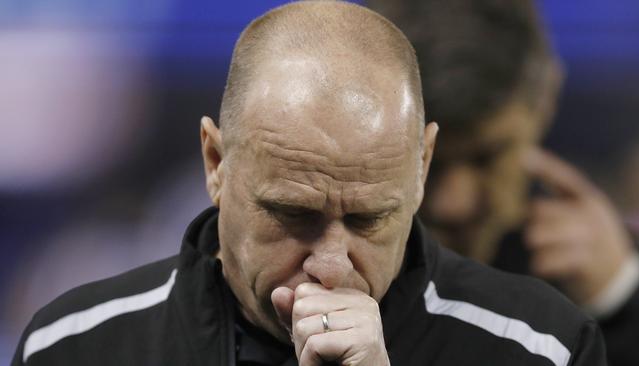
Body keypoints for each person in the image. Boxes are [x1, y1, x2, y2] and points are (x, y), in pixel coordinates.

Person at [12, 2, 607, 365]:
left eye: (369, 219)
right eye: (293, 215)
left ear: (421, 166)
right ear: (216, 162)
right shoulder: (74, 347)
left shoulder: (540, 348)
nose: (331, 267)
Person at [366, 0, 639, 365]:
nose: (454, 203)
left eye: (488, 157)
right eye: (428, 158)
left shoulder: (612, 279)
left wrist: (623, 299)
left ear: (545, 99)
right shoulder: (318, 265)